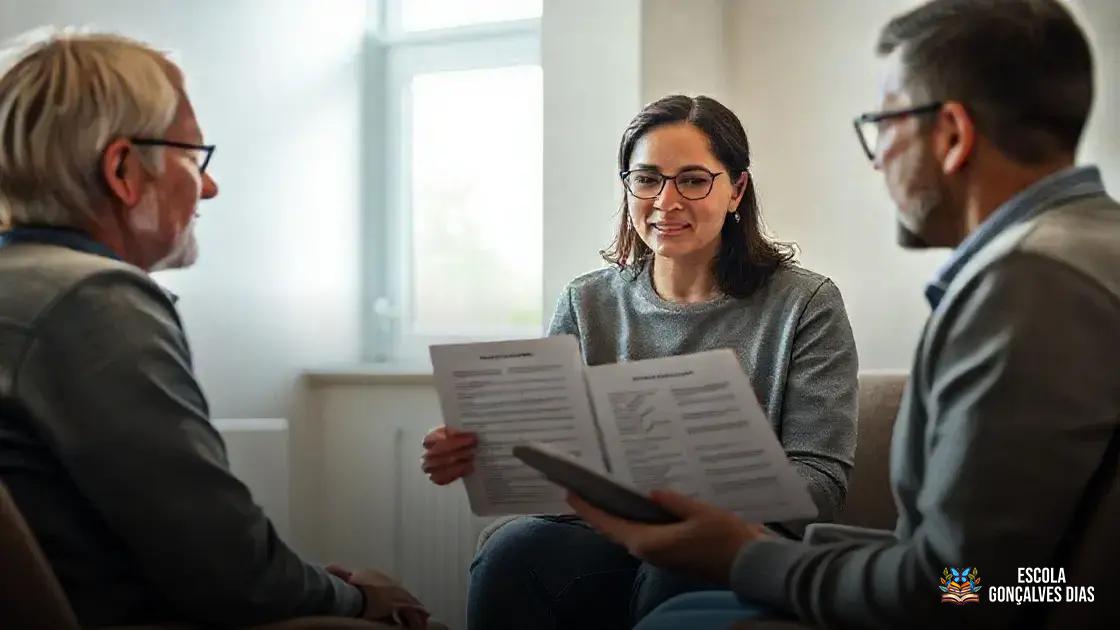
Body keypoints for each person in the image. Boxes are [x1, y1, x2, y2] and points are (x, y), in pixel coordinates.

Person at [567, 1, 1120, 628]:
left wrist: (748, 555)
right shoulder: (1085, 249)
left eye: (884, 125)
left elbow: (964, 588)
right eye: (647, 179)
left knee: (681, 616)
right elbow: (999, 576)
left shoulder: (1031, 285)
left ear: (953, 135)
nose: (878, 157)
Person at [0, 30, 431, 628]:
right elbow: (232, 574)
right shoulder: (93, 300)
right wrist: (361, 599)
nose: (209, 186)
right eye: (194, 157)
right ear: (123, 169)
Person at [423, 94, 860, 629]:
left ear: (736, 190)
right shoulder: (586, 303)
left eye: (693, 180)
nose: (665, 201)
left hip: (735, 535)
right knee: (512, 554)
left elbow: (822, 480)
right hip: (604, 533)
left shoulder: (806, 304)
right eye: (647, 179)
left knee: (675, 573)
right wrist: (480, 448)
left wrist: (706, 496)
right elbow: (552, 456)